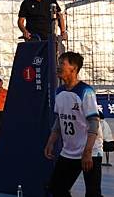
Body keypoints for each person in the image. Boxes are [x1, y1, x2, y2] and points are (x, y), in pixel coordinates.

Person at [44, 52, 103, 197]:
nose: (58, 67)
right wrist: (50, 142)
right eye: (58, 63)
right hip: (69, 151)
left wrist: (88, 152)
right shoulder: (59, 92)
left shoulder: (85, 91)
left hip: (90, 151)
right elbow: (59, 121)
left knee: (92, 193)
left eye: (62, 64)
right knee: (56, 189)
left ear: (74, 68)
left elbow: (94, 123)